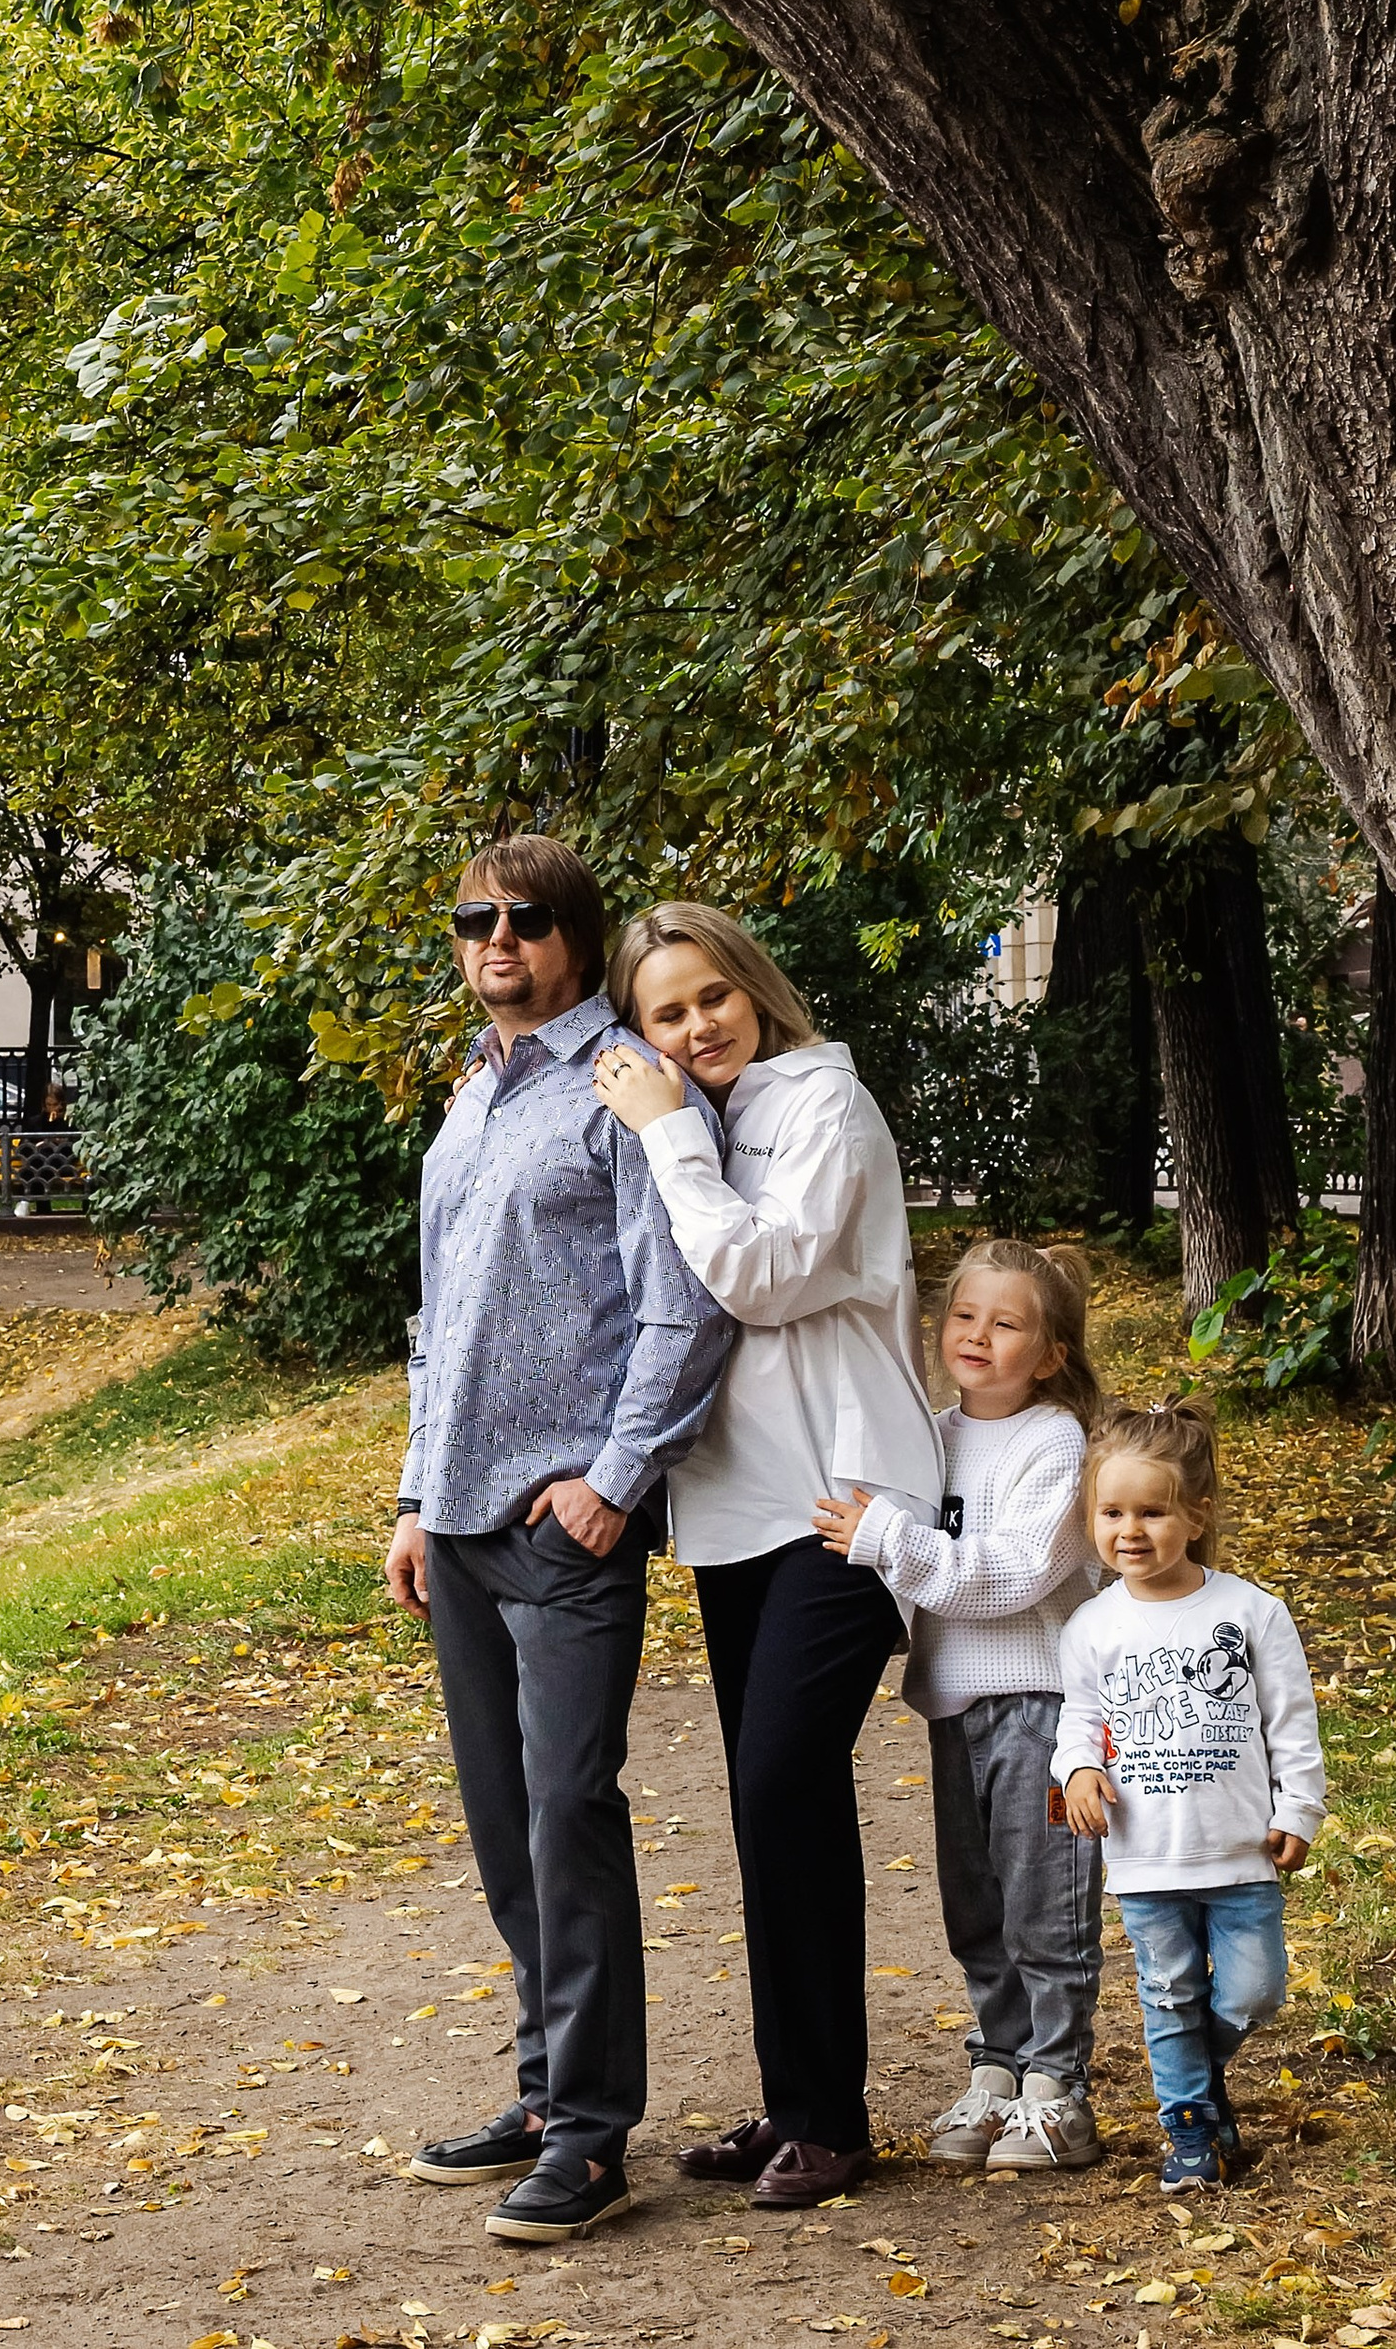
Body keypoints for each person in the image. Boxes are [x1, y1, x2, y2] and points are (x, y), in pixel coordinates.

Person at [386, 835, 734, 2246]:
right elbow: (437, 1325)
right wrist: (414, 1494)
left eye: (527, 919)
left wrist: (614, 1476)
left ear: (576, 938)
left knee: (566, 1812)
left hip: (561, 1521)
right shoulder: (472, 1099)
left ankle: (593, 2135)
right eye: (475, 917)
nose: (497, 938)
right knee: (500, 1824)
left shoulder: (621, 1092)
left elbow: (689, 1301)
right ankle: (542, 2090)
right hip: (459, 1520)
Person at [589, 902, 940, 2208]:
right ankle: (800, 2098)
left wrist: (670, 1128)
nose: (696, 1025)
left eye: (712, 995)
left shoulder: (822, 1109)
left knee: (788, 1775)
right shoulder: (713, 1118)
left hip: (849, 1497)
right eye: (666, 1012)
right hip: (737, 1511)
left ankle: (831, 2116)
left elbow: (764, 1274)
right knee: (766, 1802)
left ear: (758, 985)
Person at [813, 1236, 1108, 2175]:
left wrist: (885, 1536)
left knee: (1046, 1907)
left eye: (1008, 1321)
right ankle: (1001, 2070)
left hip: (1046, 1710)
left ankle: (1059, 2090)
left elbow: (1010, 1578)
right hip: (958, 1712)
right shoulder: (931, 1433)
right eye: (965, 1315)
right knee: (975, 1909)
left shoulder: (1056, 1442)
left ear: (1051, 1353)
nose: (978, 1334)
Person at [1054, 1398, 1326, 2193]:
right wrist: (1075, 1770)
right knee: (1167, 1994)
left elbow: (1292, 1722)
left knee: (1255, 1990)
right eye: (1111, 1511)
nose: (1129, 1530)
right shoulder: (1093, 1625)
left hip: (1239, 1849)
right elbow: (1079, 1718)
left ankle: (1196, 2085)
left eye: (1152, 1510)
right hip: (1145, 1857)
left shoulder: (1250, 1612)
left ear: (1196, 1514)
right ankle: (1191, 2130)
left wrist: (1298, 1807)